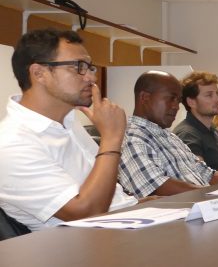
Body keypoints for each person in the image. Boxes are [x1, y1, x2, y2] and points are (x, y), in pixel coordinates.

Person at [0, 29, 137, 231]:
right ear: (39, 73)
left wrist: (140, 204)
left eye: (90, 67)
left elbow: (105, 194)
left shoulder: (68, 121)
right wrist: (111, 138)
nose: (91, 77)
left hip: (122, 225)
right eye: (78, 67)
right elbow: (86, 213)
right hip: (87, 243)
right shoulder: (11, 143)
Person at [117, 71, 218, 198]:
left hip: (202, 200)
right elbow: (157, 187)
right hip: (185, 206)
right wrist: (212, 195)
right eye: (171, 98)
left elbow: (206, 174)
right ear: (145, 97)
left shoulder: (171, 137)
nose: (176, 107)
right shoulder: (131, 138)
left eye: (178, 101)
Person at [173, 71, 218, 176]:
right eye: (209, 95)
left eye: (217, 93)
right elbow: (202, 176)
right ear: (191, 102)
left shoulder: (214, 130)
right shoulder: (187, 134)